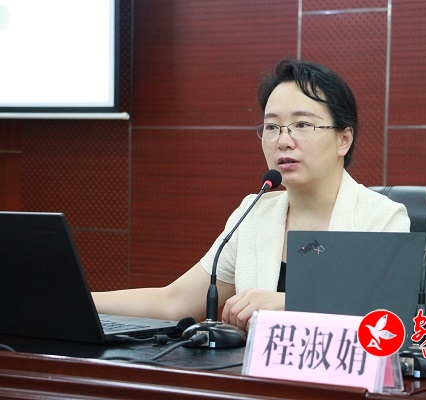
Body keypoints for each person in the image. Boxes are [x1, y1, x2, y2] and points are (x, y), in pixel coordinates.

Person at [92, 59, 410, 331]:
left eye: (302, 124)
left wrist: (290, 304)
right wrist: (79, 299)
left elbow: (388, 317)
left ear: (344, 140)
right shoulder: (255, 213)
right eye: (271, 127)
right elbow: (173, 302)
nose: (283, 141)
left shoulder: (380, 218)